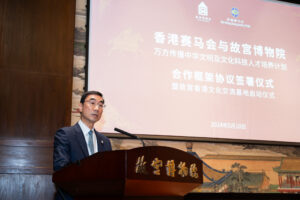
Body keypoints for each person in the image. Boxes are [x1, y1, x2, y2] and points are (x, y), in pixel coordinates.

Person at [53, 91, 112, 199]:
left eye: (100, 105)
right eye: (92, 103)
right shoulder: (65, 134)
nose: (96, 108)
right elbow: (61, 168)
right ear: (80, 107)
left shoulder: (105, 141)